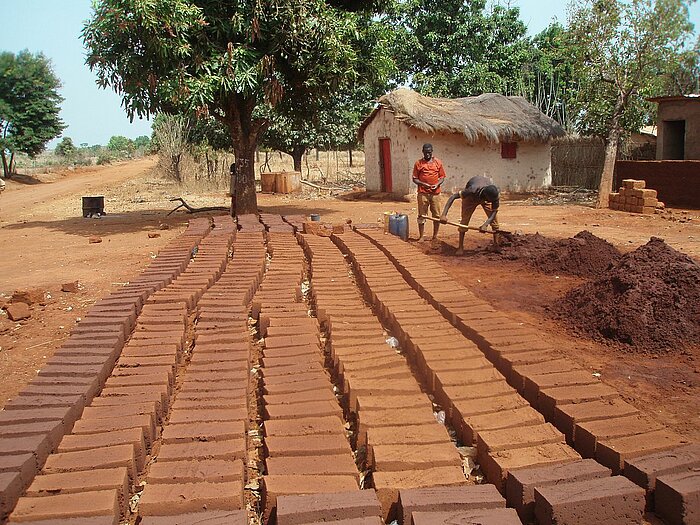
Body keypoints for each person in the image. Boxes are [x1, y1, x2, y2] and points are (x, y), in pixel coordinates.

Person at [440, 175, 500, 255]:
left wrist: (485, 224)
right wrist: (444, 215)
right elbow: (453, 197)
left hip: (485, 195)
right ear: (485, 196)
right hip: (470, 198)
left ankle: (496, 245)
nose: (491, 202)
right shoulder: (471, 190)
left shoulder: (494, 195)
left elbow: (494, 211)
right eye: (489, 200)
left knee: (495, 223)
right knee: (464, 221)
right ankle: (460, 247)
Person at [412, 143, 446, 241]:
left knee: (436, 215)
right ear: (423, 152)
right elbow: (415, 179)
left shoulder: (438, 162)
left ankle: (435, 236)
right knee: (422, 215)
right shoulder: (418, 163)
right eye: (426, 152)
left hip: (435, 194)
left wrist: (437, 184)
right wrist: (423, 184)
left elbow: (442, 177)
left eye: (429, 152)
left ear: (432, 152)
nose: (427, 154)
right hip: (423, 193)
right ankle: (421, 236)